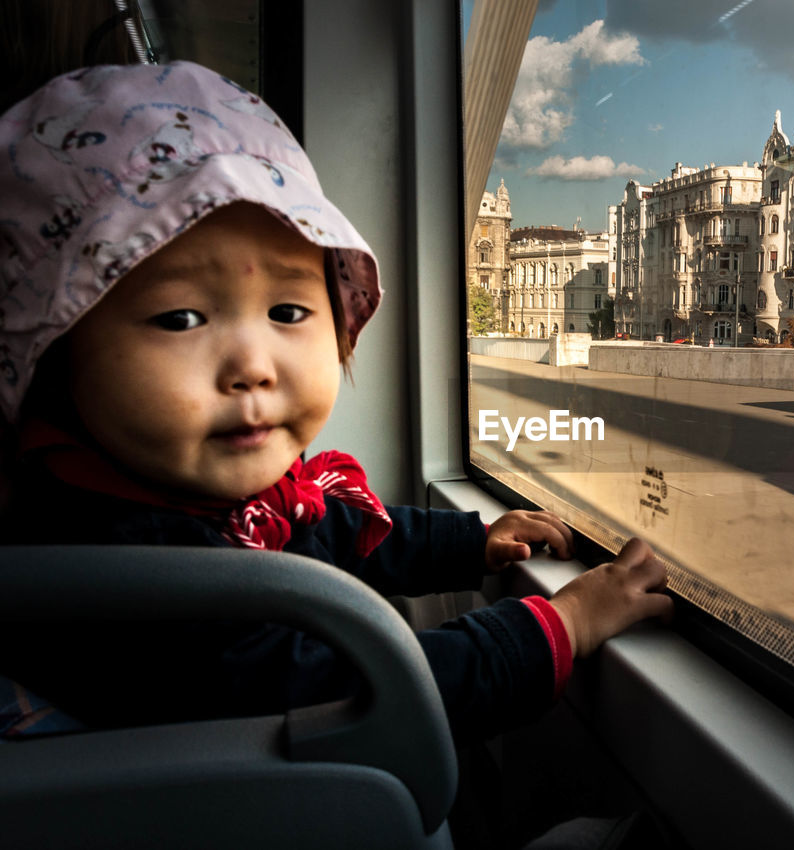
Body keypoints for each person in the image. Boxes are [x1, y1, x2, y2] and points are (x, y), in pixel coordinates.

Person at [0, 62, 673, 741]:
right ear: (51, 353)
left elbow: (332, 535)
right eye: (179, 320)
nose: (253, 367)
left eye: (288, 310)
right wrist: (562, 623)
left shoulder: (179, 502)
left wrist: (471, 539)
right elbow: (363, 697)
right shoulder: (132, 574)